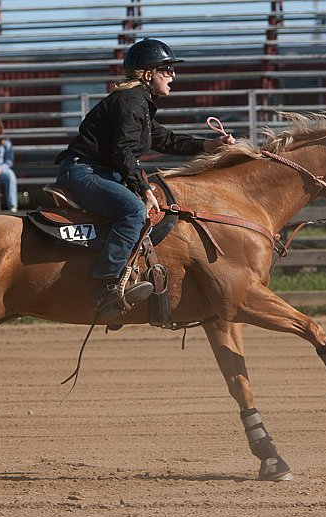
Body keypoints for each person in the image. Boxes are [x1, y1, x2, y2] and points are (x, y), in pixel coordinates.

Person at [54, 38, 234, 321]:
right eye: (167, 70)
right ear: (148, 74)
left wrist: (208, 146)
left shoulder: (138, 102)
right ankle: (108, 286)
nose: (173, 75)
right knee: (135, 211)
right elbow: (124, 151)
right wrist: (141, 189)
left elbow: (164, 139)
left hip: (97, 170)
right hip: (84, 171)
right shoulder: (131, 102)